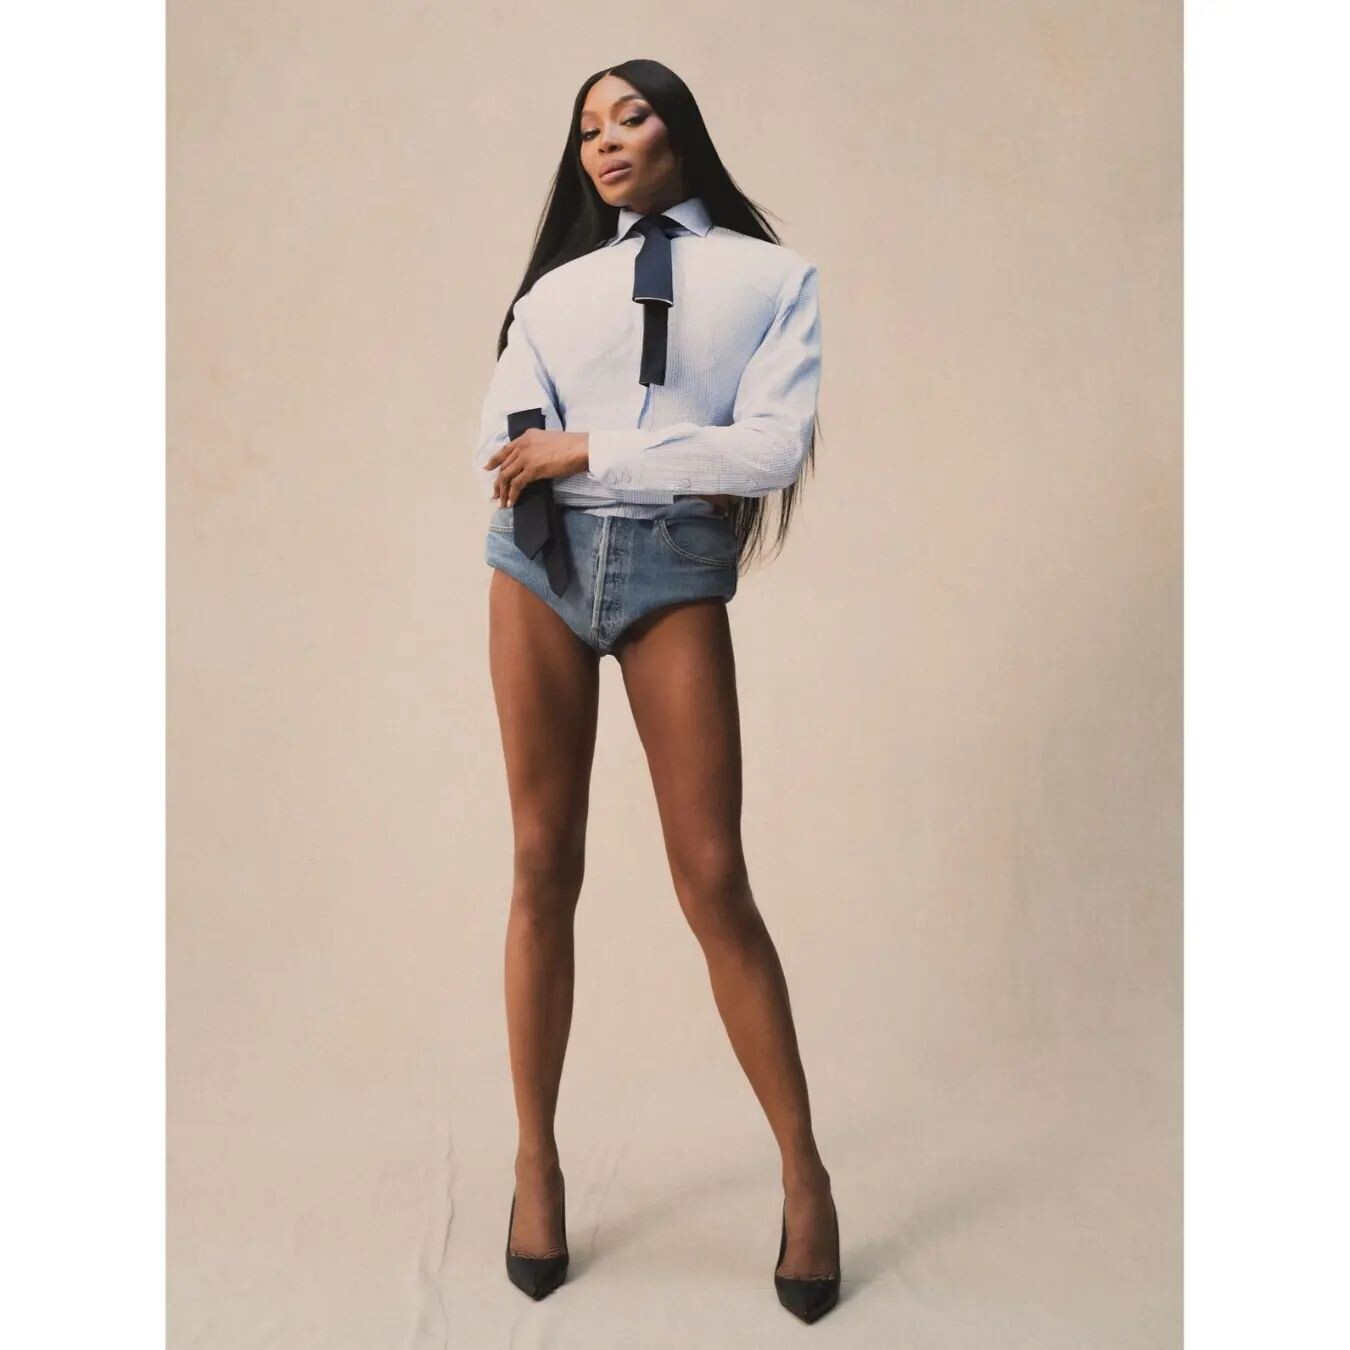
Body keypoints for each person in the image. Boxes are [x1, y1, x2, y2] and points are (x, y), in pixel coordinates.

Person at [472, 58, 840, 1324]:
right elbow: (499, 442)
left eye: (629, 115)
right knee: (540, 862)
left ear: (681, 125)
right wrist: (568, 451)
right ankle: (536, 1165)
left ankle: (803, 1177)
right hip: (538, 562)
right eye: (587, 127)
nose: (606, 141)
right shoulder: (553, 291)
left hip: (673, 564)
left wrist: (593, 446)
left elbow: (768, 449)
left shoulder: (773, 280)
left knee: (713, 875)